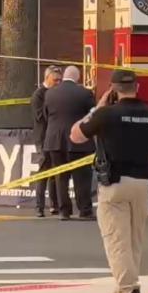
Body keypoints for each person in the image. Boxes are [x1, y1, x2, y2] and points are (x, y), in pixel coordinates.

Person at [70, 69, 148, 293]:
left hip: (114, 184)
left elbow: (75, 135)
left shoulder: (106, 114)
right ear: (137, 87)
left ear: (113, 89)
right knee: (134, 242)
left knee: (117, 242)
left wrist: (97, 107)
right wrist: (145, 160)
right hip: (142, 184)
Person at [44, 65, 96, 221]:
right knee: (82, 178)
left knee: (61, 178)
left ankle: (64, 211)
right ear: (77, 77)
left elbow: (46, 115)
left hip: (55, 141)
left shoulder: (50, 93)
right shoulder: (85, 93)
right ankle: (84, 210)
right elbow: (92, 116)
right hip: (79, 141)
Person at [31, 65, 62, 217]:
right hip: (43, 138)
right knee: (43, 172)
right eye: (55, 80)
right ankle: (39, 206)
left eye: (60, 80)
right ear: (47, 78)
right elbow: (39, 116)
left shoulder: (57, 94)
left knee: (55, 172)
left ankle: (54, 204)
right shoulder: (38, 95)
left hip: (55, 138)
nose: (58, 83)